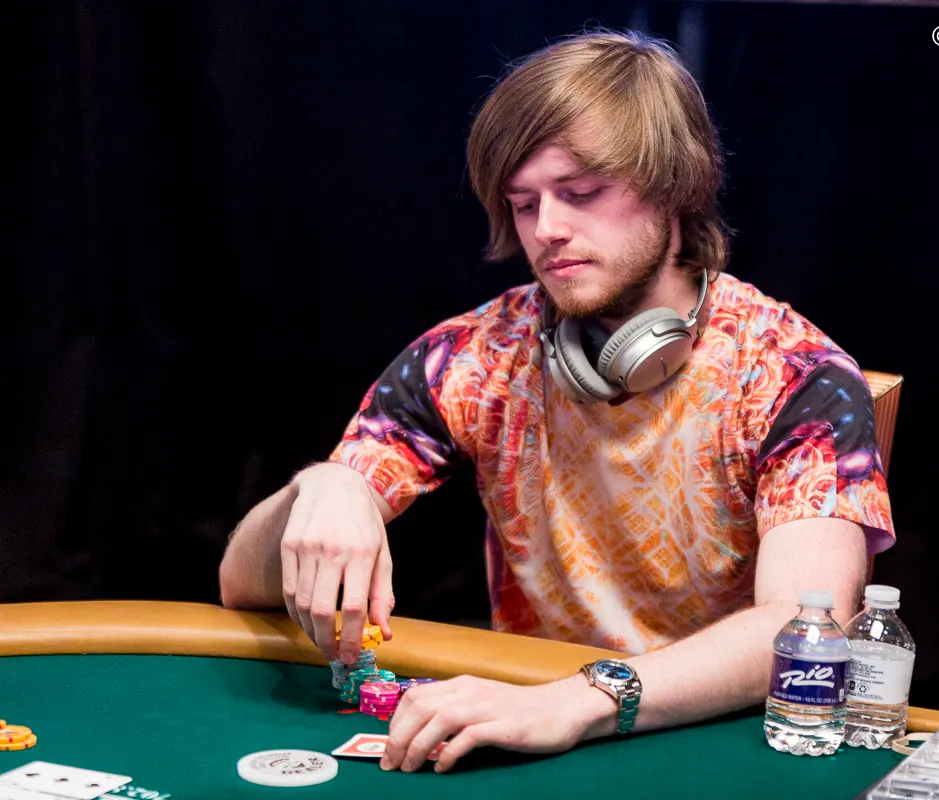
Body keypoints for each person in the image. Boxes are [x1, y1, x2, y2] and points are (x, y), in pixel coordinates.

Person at [219, 28, 895, 774]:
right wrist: (324, 487)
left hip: (715, 746)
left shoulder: (793, 372)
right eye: (523, 204)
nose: (547, 231)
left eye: (580, 194)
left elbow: (805, 629)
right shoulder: (477, 355)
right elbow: (241, 584)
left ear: (673, 186)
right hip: (530, 736)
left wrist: (577, 701)